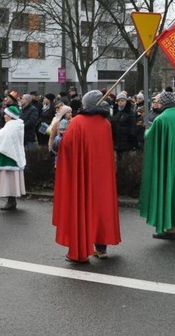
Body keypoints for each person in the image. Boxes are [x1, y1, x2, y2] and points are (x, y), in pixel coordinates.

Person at [53, 90, 121, 263]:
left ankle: (79, 252)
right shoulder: (105, 123)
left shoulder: (77, 122)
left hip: (83, 176)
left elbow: (65, 146)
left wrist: (57, 141)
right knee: (101, 208)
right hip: (102, 176)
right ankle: (101, 248)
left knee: (82, 209)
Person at [138, 91, 175, 239]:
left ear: (163, 102)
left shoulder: (161, 119)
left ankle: (169, 229)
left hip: (168, 162)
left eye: (158, 100)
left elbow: (150, 137)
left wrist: (146, 132)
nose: (156, 103)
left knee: (168, 191)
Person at [0, 105, 26, 211]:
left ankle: (11, 201)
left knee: (9, 180)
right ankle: (11, 200)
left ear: (11, 116)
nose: (4, 116)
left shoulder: (11, 127)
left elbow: (2, 140)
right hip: (13, 156)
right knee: (12, 180)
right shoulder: (15, 125)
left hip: (9, 157)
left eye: (6, 114)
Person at [111, 92, 137, 160]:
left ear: (126, 101)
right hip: (117, 140)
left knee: (126, 160)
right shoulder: (116, 111)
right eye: (119, 100)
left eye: (122, 100)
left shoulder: (130, 112)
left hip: (126, 140)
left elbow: (133, 125)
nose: (120, 102)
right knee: (118, 159)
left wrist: (131, 137)